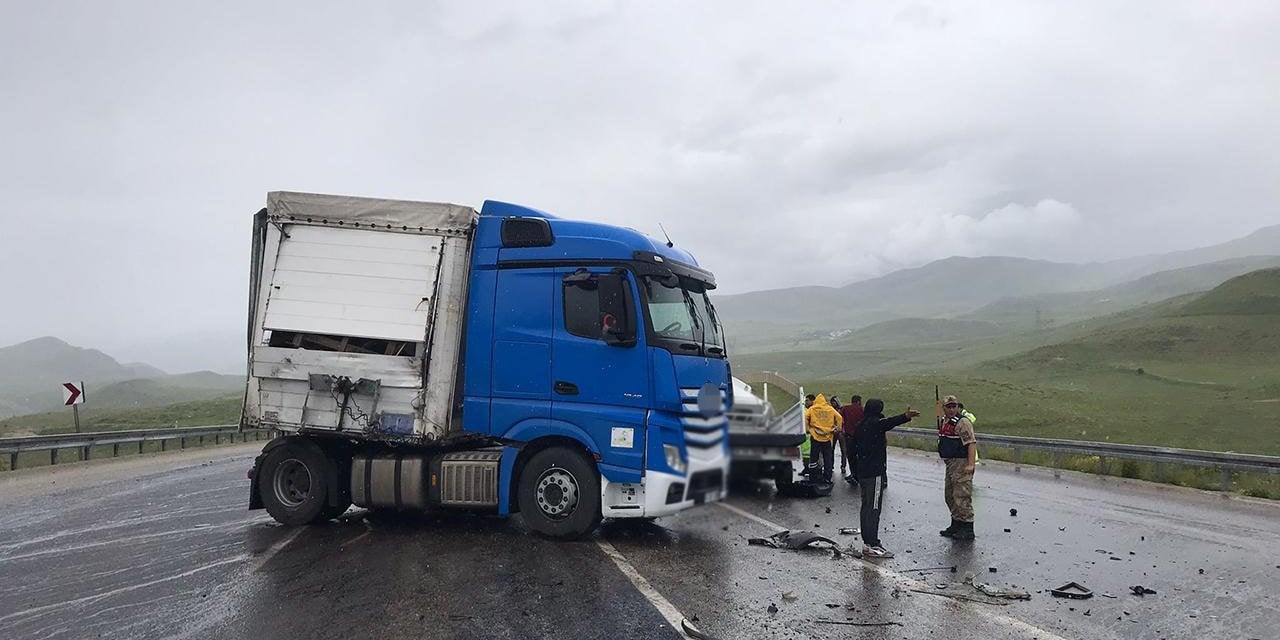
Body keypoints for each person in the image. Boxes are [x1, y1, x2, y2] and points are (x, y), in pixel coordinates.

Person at [851, 398, 920, 558]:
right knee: (874, 508)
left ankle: (867, 542)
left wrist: (854, 471)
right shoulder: (876, 424)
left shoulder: (860, 425)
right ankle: (873, 544)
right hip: (874, 473)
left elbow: (852, 449)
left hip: (862, 472)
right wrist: (906, 416)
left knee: (866, 507)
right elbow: (890, 422)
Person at [938, 395, 978, 540]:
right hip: (950, 463)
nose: (952, 409)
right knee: (950, 495)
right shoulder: (944, 421)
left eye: (954, 406)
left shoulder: (962, 422)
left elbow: (971, 443)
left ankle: (967, 527)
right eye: (948, 406)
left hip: (961, 463)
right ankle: (956, 523)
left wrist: (970, 464)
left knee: (962, 496)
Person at [803, 394, 842, 483]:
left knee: (814, 458)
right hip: (827, 438)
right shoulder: (830, 409)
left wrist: (807, 429)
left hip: (815, 437)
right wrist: (838, 429)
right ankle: (827, 477)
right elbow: (839, 417)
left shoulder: (812, 409)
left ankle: (813, 477)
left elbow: (805, 417)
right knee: (827, 458)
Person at [838, 395, 864, 482]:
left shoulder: (845, 409)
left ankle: (853, 474)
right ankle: (860, 474)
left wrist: (841, 430)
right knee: (860, 456)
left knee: (851, 456)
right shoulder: (862, 409)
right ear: (858, 401)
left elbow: (840, 418)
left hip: (849, 436)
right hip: (860, 436)